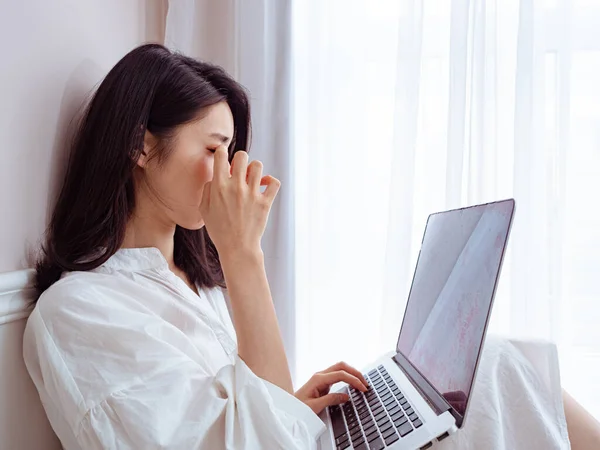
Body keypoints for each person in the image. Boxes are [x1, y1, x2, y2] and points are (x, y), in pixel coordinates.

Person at [23, 44, 599, 450]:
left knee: (492, 364)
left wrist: (295, 403)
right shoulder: (78, 310)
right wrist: (243, 256)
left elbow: (243, 415)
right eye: (215, 148)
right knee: (491, 372)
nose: (233, 171)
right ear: (141, 147)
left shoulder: (187, 281)